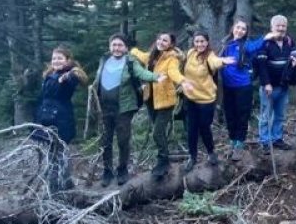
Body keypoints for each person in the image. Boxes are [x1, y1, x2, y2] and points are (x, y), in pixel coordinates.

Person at [94, 35, 163, 186]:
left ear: (125, 47)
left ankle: (122, 170)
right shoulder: (104, 60)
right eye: (114, 45)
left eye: (120, 45)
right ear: (110, 46)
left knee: (123, 140)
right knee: (105, 141)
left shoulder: (130, 61)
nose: (116, 48)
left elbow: (141, 74)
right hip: (104, 108)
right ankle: (107, 171)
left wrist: (156, 77)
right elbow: (98, 79)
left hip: (123, 108)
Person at [169, 31, 234, 170]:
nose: (199, 44)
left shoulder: (210, 55)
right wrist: (174, 53)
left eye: (202, 41)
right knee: (191, 129)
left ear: (207, 42)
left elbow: (215, 62)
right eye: (197, 41)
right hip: (190, 98)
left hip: (206, 100)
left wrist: (223, 61)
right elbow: (182, 58)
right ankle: (192, 157)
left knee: (205, 127)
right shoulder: (190, 53)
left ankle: (211, 152)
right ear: (194, 42)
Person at [33, 46, 88, 192]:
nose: (56, 61)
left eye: (60, 58)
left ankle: (56, 190)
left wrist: (68, 76)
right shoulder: (49, 75)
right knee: (53, 155)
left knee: (59, 154)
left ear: (67, 60)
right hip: (46, 119)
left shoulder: (69, 75)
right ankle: (65, 185)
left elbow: (76, 78)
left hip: (61, 120)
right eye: (54, 58)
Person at [129, 32, 183, 178]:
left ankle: (163, 161)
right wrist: (131, 50)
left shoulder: (171, 58)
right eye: (159, 39)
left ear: (171, 44)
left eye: (165, 40)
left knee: (157, 132)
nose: (161, 42)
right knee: (158, 132)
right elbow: (140, 55)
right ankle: (163, 158)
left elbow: (174, 73)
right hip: (150, 100)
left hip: (165, 101)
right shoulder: (152, 55)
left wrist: (182, 81)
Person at [219, 20, 266, 153]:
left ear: (246, 32)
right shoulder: (225, 44)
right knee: (230, 113)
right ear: (233, 28)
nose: (240, 30)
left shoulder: (246, 45)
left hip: (243, 86)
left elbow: (257, 45)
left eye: (243, 29)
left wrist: (268, 35)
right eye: (238, 27)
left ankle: (240, 140)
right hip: (227, 86)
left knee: (242, 114)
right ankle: (232, 139)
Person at [255, 15, 296, 150]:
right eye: (278, 26)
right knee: (266, 115)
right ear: (272, 27)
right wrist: (266, 83)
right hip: (269, 87)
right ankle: (264, 141)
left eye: (283, 26)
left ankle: (277, 138)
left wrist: (294, 62)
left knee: (280, 115)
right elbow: (261, 65)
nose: (280, 28)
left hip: (283, 85)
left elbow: (295, 55)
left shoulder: (289, 41)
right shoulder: (265, 43)